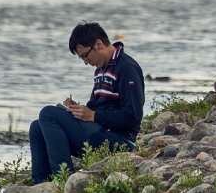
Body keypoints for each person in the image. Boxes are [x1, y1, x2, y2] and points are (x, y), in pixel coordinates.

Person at [29, 21, 145, 184]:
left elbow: (132, 116)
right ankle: (40, 184)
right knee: (37, 127)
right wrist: (77, 109)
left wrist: (93, 116)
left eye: (85, 55)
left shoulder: (126, 68)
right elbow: (96, 108)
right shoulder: (101, 70)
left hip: (118, 141)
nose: (85, 62)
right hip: (99, 131)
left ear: (98, 45)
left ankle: (63, 181)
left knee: (47, 113)